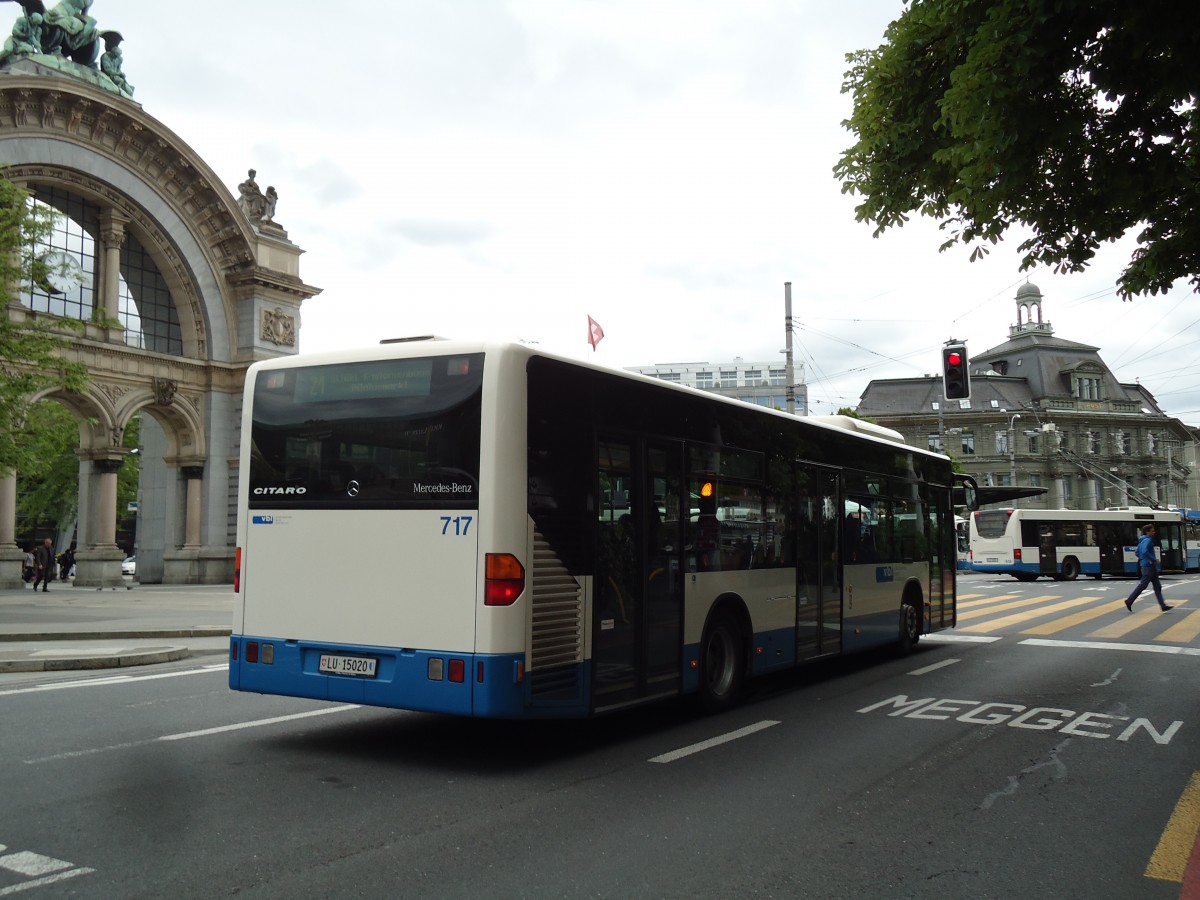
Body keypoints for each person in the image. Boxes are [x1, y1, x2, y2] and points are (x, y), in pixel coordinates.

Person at [1124, 524, 1172, 612]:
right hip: (1148, 566)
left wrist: (1143, 559)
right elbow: (1145, 551)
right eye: (1152, 531)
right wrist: (1153, 559)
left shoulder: (1142, 540)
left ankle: (1163, 605)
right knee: (1143, 585)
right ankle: (1129, 601)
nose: (1154, 532)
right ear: (1147, 532)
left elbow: (1137, 552)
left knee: (1157, 586)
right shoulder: (1148, 540)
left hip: (1147, 566)